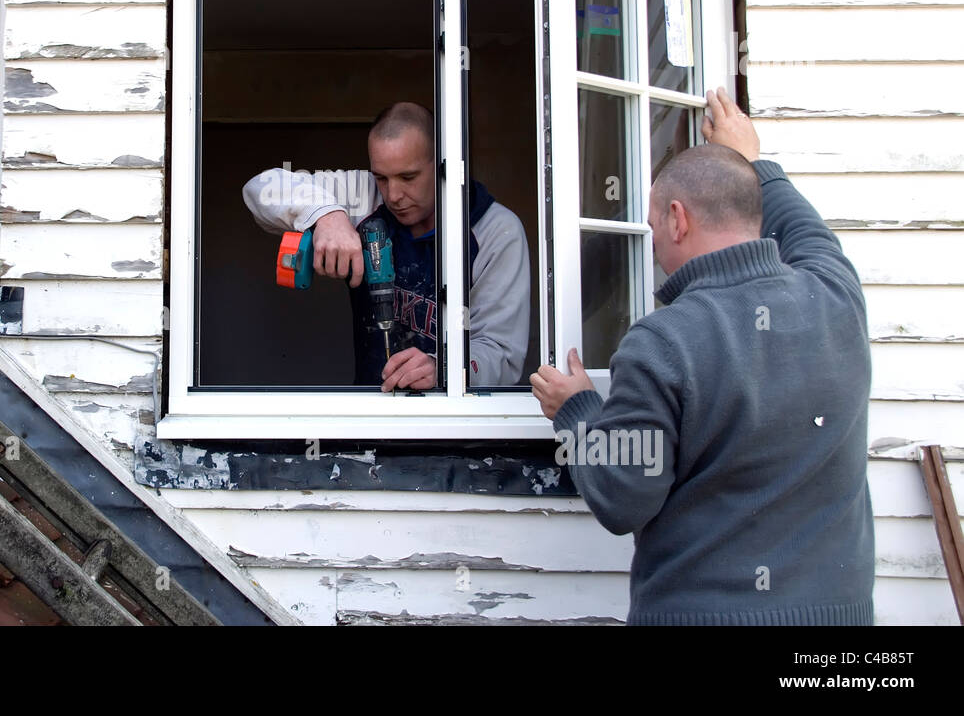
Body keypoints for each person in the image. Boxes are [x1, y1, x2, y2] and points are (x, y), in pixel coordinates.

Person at [530, 88, 874, 625]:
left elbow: (623, 498)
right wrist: (754, 162)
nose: (652, 245)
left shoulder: (664, 341)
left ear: (677, 219)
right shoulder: (837, 295)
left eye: (650, 228)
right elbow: (806, 231)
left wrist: (578, 412)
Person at [242, 102, 531, 391]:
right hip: (372, 410)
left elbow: (501, 353)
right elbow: (260, 187)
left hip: (459, 425)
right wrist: (327, 215)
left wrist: (442, 368)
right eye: (381, 177)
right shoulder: (362, 194)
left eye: (408, 177)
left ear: (444, 162)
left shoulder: (496, 231)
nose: (393, 195)